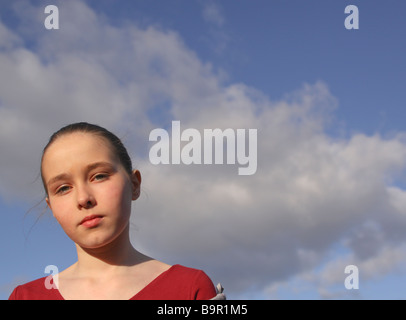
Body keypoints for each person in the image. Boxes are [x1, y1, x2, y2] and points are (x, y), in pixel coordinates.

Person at [9, 122, 224, 300]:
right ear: (52, 207)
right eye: (63, 188)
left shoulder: (188, 288)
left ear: (134, 184)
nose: (83, 198)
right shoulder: (26, 297)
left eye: (99, 176)